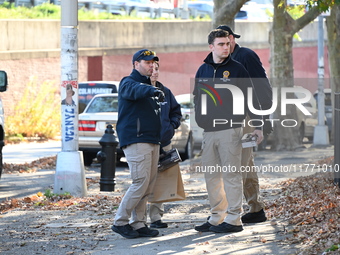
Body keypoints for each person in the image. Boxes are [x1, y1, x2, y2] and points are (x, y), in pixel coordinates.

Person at [193, 29, 263, 233]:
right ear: (211, 46)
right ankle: (217, 217)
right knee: (212, 176)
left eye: (227, 44)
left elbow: (252, 98)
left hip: (231, 129)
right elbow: (197, 97)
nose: (226, 47)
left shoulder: (238, 68)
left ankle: (234, 219)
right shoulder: (203, 70)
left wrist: (258, 126)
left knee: (232, 175)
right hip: (208, 132)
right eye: (221, 44)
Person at [216, 25, 273, 224]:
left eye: (225, 40)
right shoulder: (222, 62)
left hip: (248, 118)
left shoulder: (246, 56)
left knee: (243, 162)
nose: (223, 45)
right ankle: (254, 207)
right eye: (219, 42)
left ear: (231, 38)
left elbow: (262, 87)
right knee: (242, 163)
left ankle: (241, 210)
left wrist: (263, 121)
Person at [112, 49, 166, 239]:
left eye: (153, 62)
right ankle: (120, 222)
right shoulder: (129, 82)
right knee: (140, 182)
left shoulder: (150, 85)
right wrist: (152, 89)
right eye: (147, 62)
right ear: (136, 64)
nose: (151, 65)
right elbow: (136, 90)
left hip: (152, 139)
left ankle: (139, 223)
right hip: (137, 139)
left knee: (148, 185)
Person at [148, 61, 182, 229]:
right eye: (151, 68)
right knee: (143, 181)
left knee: (160, 181)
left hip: (164, 143)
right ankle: (138, 219)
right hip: (145, 144)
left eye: (157, 69)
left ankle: (155, 217)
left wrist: (171, 126)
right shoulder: (138, 90)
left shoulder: (166, 92)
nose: (154, 72)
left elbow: (176, 112)